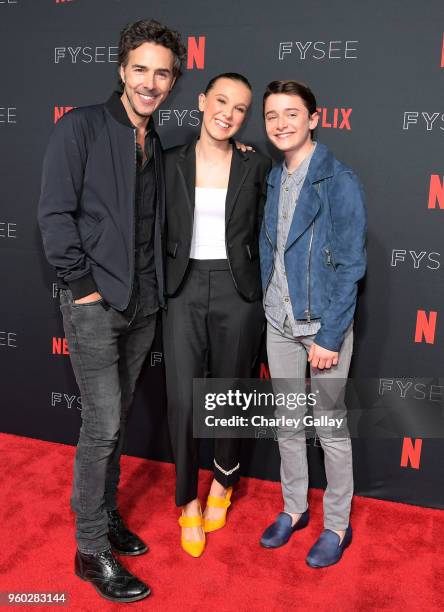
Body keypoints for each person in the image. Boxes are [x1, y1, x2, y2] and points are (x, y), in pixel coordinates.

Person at [38, 19, 185, 602]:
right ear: (122, 69)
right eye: (141, 69)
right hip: (96, 307)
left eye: (163, 73)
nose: (151, 82)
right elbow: (54, 213)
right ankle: (90, 548)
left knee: (115, 423)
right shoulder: (81, 127)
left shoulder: (155, 141)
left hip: (143, 305)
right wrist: (82, 285)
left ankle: (104, 515)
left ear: (173, 82)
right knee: (102, 427)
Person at [258, 80, 367, 567]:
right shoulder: (274, 176)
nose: (281, 124)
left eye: (291, 114)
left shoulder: (337, 179)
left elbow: (350, 264)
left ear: (314, 118)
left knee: (329, 427)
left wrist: (329, 334)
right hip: (278, 320)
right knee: (287, 424)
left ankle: (338, 526)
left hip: (322, 325)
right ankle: (294, 508)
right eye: (272, 116)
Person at [163, 73, 271, 557]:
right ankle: (187, 501)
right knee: (185, 400)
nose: (227, 113)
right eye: (221, 101)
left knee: (230, 392)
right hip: (182, 290)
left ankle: (223, 484)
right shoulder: (167, 164)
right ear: (203, 102)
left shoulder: (257, 165)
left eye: (240, 108)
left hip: (238, 290)